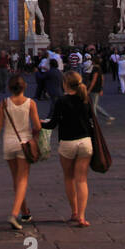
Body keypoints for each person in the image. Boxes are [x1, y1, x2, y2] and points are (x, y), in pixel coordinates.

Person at [0, 74, 41, 230]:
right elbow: (37, 126)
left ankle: (25, 212)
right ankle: (14, 213)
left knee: (16, 180)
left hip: (8, 144)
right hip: (24, 143)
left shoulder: (4, 103)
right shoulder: (30, 103)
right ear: (25, 87)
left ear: (10, 88)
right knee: (23, 179)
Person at [41, 71, 93, 227]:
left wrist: (40, 123)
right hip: (85, 141)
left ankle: (74, 212)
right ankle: (82, 216)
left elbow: (52, 124)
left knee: (69, 178)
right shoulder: (85, 99)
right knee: (82, 180)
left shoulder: (61, 101)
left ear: (65, 84)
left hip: (68, 142)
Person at [87, 57, 115, 124]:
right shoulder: (99, 68)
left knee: (93, 106)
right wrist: (101, 88)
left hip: (94, 89)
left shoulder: (95, 69)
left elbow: (94, 80)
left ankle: (94, 121)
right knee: (95, 105)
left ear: (93, 61)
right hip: (98, 88)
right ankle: (107, 117)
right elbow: (102, 78)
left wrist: (89, 89)